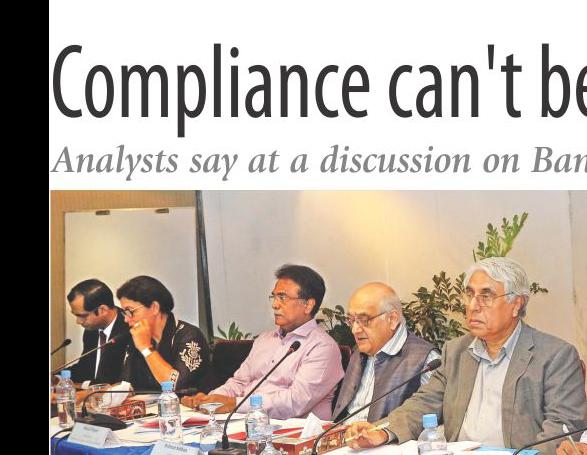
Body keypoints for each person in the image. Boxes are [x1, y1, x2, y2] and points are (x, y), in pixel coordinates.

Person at [346, 257, 587, 453]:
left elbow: (562, 427)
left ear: (516, 304)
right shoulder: (456, 351)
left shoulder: (555, 356)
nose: (472, 305)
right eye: (469, 294)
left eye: (486, 296)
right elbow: (422, 404)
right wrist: (382, 431)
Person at [182, 264, 344, 420]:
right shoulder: (265, 340)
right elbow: (239, 382)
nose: (275, 305)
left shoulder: (323, 347)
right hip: (246, 422)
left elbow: (295, 402)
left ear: (308, 305)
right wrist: (210, 401)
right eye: (274, 296)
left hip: (294, 430)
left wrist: (233, 404)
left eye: (283, 297)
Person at [332, 282, 440, 423]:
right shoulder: (359, 352)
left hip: (385, 436)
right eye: (351, 320)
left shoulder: (426, 360)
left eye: (364, 320)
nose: (355, 330)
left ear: (392, 319)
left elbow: (435, 418)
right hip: (342, 433)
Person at [117, 275, 211, 392]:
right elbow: (126, 384)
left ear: (154, 308)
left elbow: (175, 386)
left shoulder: (189, 336)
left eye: (130, 311)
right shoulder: (138, 337)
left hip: (187, 402)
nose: (126, 319)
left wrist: (146, 349)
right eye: (124, 313)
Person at [66, 279, 129, 386]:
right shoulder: (92, 330)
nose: (78, 322)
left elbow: (118, 380)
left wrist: (85, 386)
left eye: (83, 316)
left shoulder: (128, 329)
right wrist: (57, 377)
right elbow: (85, 369)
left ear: (102, 310)